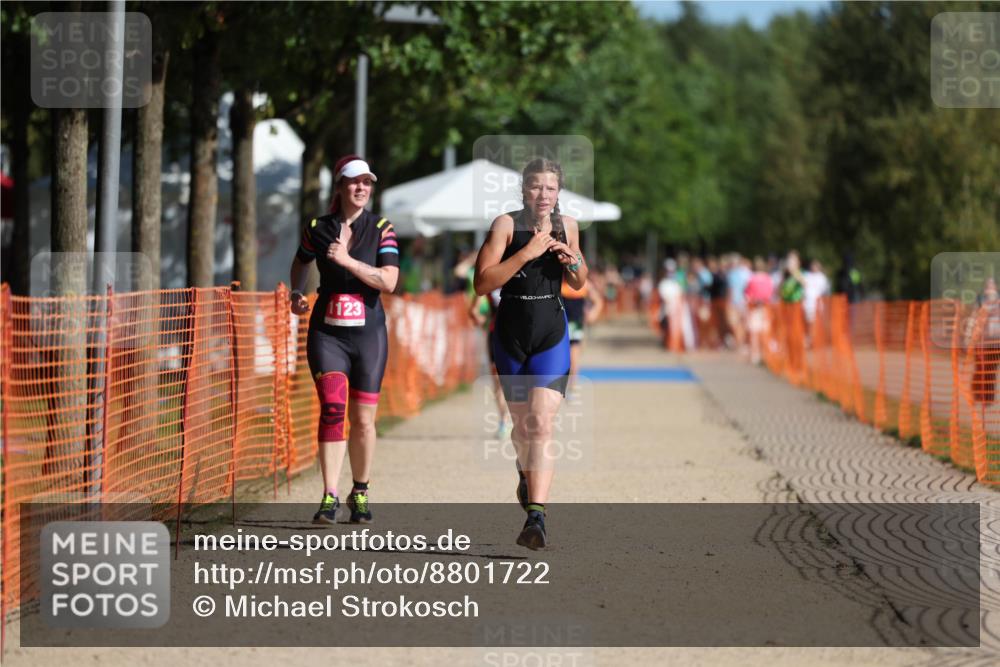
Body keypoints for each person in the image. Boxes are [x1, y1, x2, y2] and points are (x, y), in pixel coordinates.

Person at [473, 158, 586, 550]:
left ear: (559, 192)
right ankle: (526, 475)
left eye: (551, 188)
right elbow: (482, 282)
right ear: (524, 190)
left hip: (551, 336)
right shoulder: (505, 226)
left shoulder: (567, 225)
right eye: (536, 187)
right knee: (522, 430)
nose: (543, 194)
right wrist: (527, 252)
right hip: (510, 337)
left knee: (540, 424)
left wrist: (573, 261)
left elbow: (579, 279)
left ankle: (536, 517)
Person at [289, 155, 400, 525]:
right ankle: (329, 495)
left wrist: (349, 261)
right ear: (339, 186)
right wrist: (296, 291)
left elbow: (389, 281)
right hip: (327, 333)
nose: (361, 188)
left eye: (367, 183)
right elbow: (301, 260)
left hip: (368, 335)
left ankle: (361, 490)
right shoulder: (318, 227)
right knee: (333, 409)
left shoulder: (382, 228)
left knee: (364, 420)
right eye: (354, 182)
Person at [562, 275, 604, 379]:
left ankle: (572, 386)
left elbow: (598, 302)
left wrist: (593, 313)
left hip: (575, 324)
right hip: (559, 324)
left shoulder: (585, 284)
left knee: (574, 357)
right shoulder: (559, 282)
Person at [744, 256, 774, 364]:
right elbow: (771, 294)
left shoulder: (751, 278)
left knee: (754, 333)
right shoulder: (768, 278)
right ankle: (764, 354)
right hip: (765, 308)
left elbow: (747, 294)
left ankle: (755, 355)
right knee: (764, 332)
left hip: (754, 308)